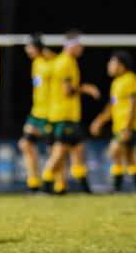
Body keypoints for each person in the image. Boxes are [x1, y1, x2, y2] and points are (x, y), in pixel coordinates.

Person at [41, 30, 100, 195]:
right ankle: (45, 185)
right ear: (71, 45)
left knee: (78, 150)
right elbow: (67, 90)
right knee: (60, 152)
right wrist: (86, 88)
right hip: (63, 115)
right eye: (79, 44)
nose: (82, 48)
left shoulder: (69, 61)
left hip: (70, 115)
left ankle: (84, 188)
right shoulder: (64, 63)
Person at [90, 50, 136, 193]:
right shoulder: (117, 82)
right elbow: (112, 105)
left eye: (112, 62)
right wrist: (99, 121)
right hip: (121, 127)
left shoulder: (131, 80)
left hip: (132, 127)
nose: (109, 65)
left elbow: (133, 106)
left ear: (121, 65)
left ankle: (116, 187)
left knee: (114, 150)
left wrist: (127, 128)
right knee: (130, 158)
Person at [18, 33, 55, 192]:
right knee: (25, 143)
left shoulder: (53, 63)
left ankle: (55, 184)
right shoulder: (37, 63)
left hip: (50, 114)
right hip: (36, 113)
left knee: (53, 150)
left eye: (30, 47)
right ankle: (33, 182)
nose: (27, 50)